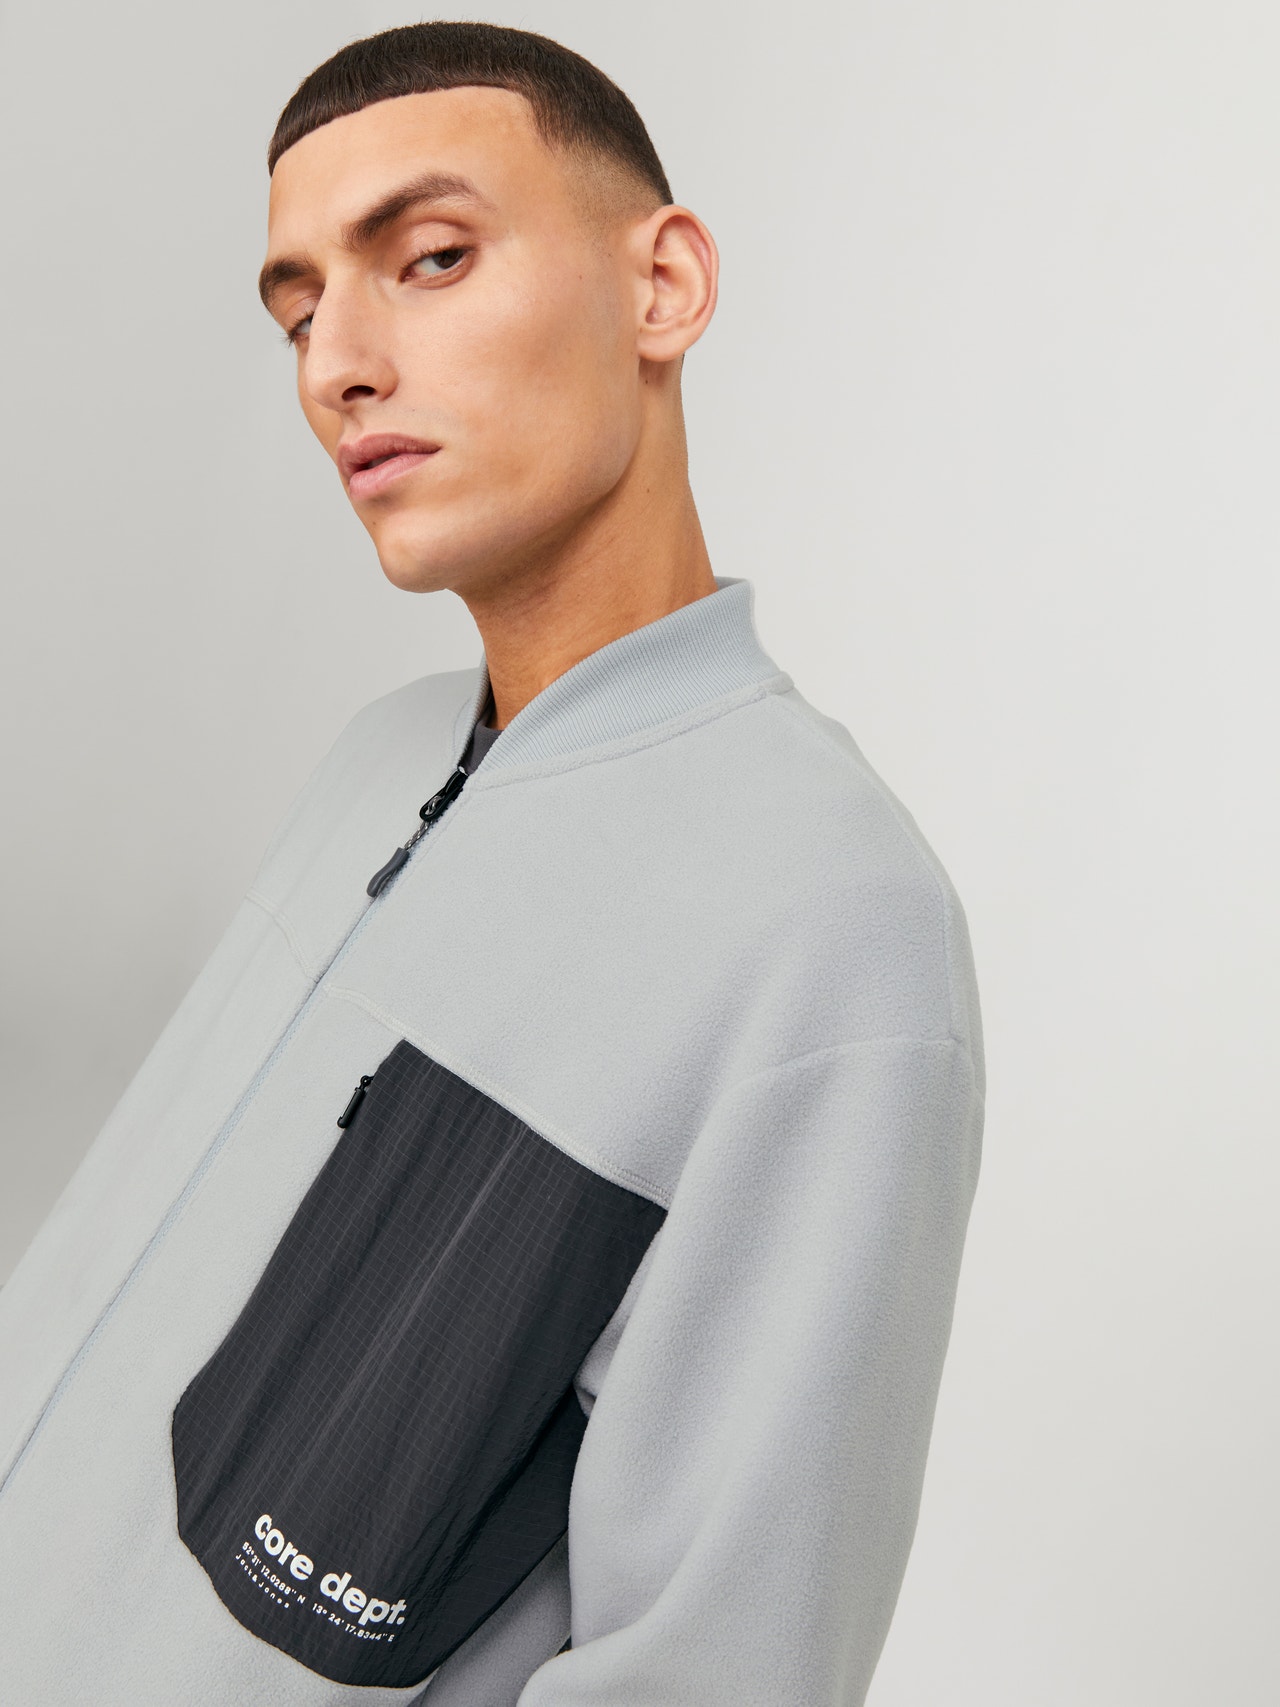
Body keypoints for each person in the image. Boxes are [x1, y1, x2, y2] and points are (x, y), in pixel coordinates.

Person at [0, 21, 984, 1706]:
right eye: (300, 310)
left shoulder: (831, 927)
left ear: (662, 285)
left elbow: (721, 1670)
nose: (337, 364)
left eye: (432, 259)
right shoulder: (377, 762)